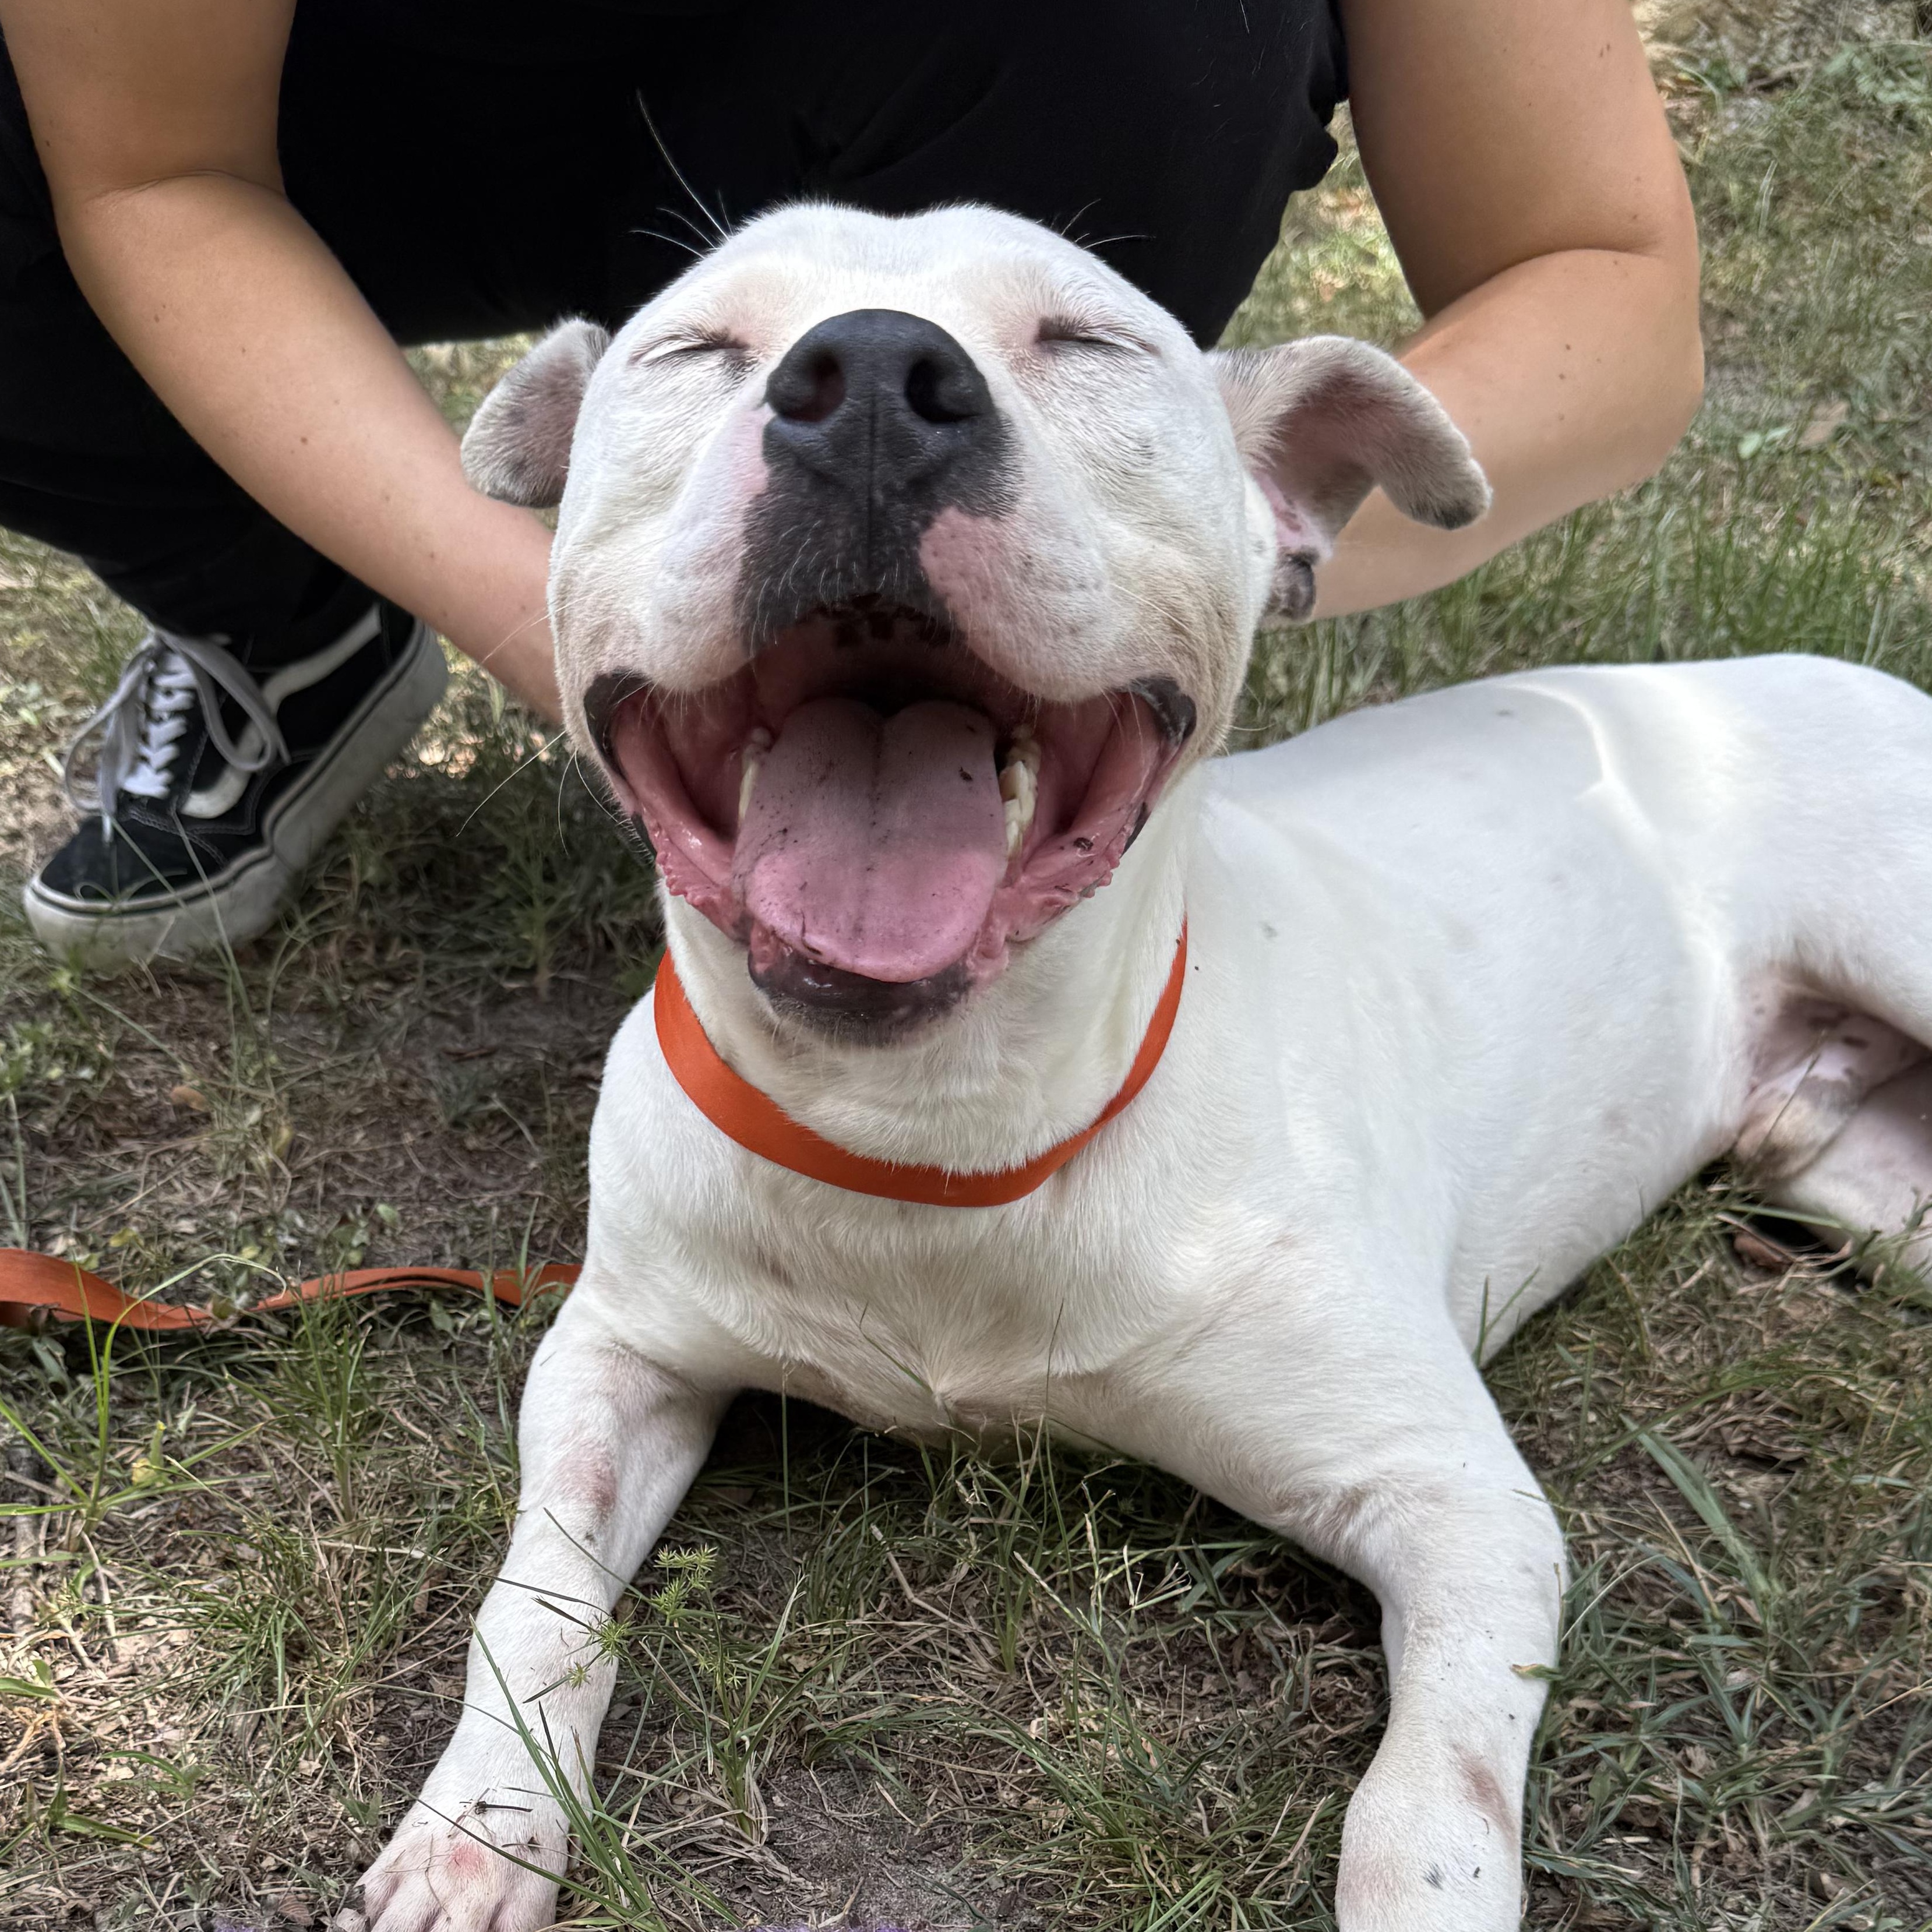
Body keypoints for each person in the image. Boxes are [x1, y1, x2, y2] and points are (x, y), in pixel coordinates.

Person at [2, 0, 1700, 968]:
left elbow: (1598, 272)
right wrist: (554, 611)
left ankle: (965, 656)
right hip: (378, 93)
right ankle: (297, 631)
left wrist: (1215, 520)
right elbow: (159, 172)